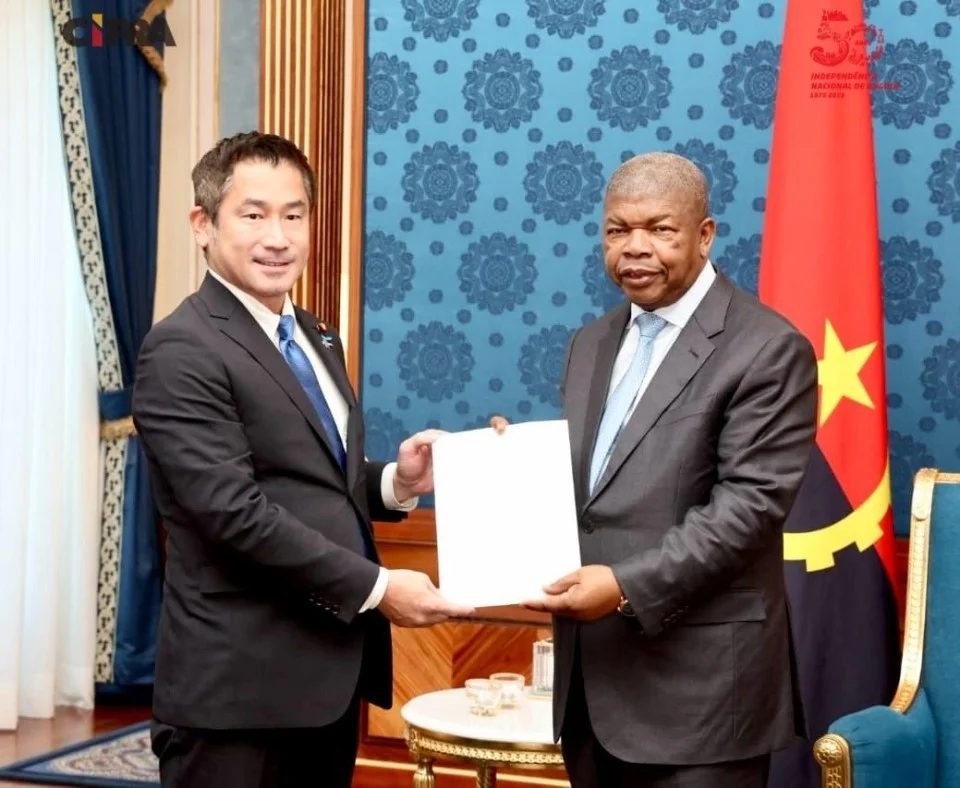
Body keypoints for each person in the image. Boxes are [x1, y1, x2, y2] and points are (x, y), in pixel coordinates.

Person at [131, 131, 474, 788]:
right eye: (253, 214)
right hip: (238, 694)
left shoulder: (315, 335)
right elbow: (233, 514)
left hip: (326, 683)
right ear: (202, 225)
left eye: (294, 215)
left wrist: (396, 481)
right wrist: (379, 590)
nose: (279, 237)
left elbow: (315, 482)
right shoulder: (181, 349)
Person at [523, 152, 819, 788]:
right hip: (592, 691)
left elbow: (750, 510)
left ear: (705, 234)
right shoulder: (590, 342)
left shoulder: (766, 348)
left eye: (660, 229)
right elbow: (593, 490)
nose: (635, 249)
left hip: (701, 699)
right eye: (617, 230)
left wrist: (625, 586)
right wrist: (508, 460)